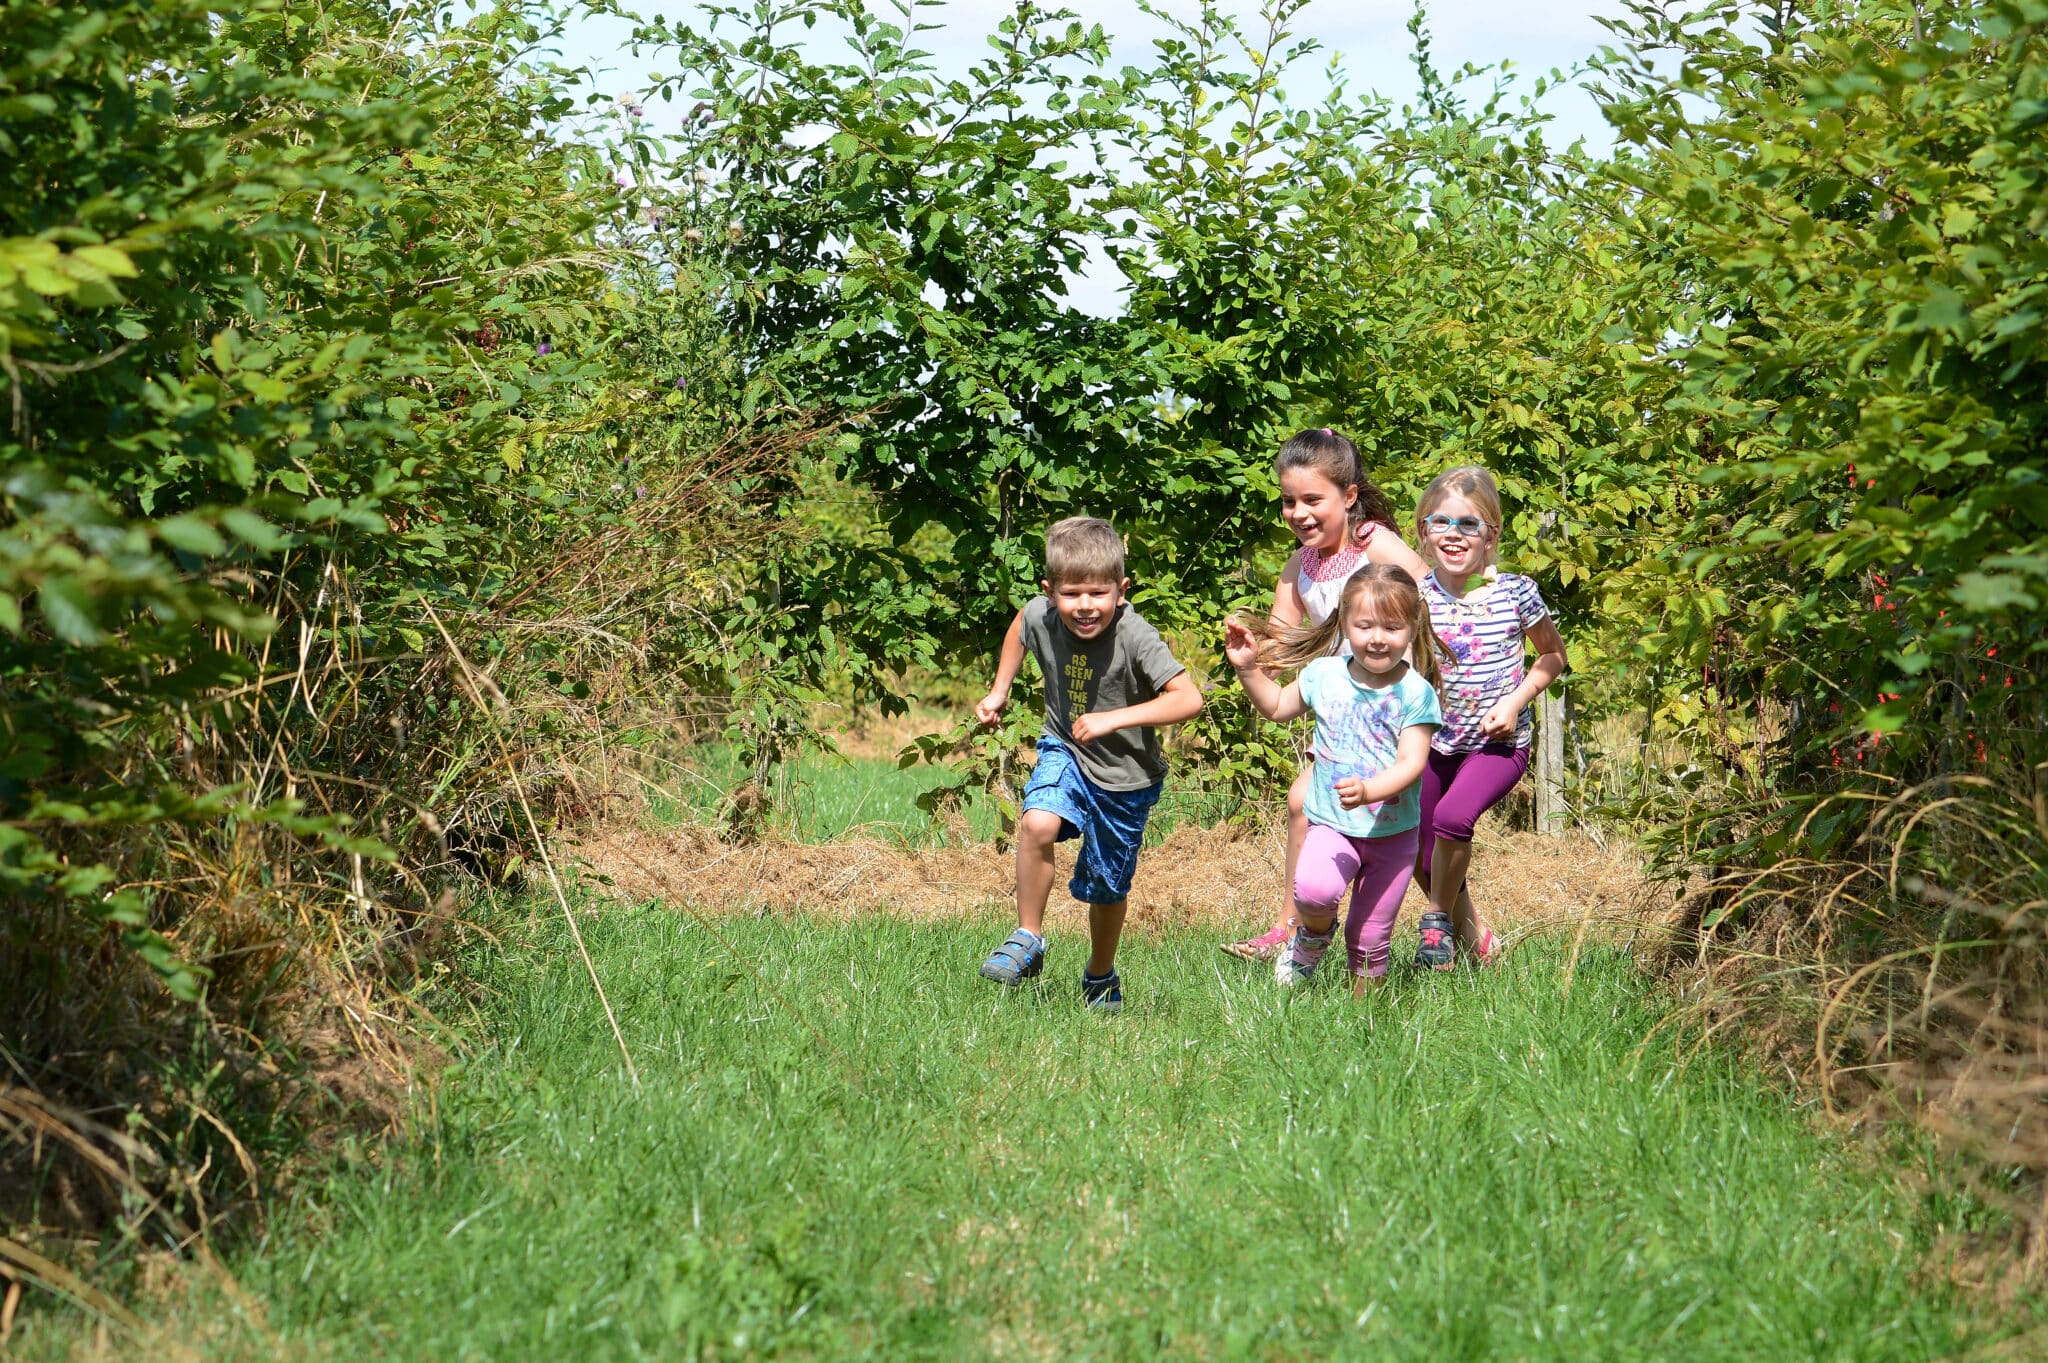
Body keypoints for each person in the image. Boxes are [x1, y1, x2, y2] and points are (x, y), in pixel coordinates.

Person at [973, 516, 1204, 1012]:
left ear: (1121, 590)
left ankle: (1100, 973)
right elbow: (1021, 624)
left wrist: (1112, 719)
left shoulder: (1135, 635)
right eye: (1071, 593)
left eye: (1098, 593)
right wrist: (999, 690)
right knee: (1037, 822)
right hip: (1064, 748)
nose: (1085, 606)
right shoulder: (1042, 614)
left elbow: (1189, 698)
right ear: (1049, 591)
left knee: (1106, 886)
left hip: (1125, 779)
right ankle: (1028, 936)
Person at [1220, 428, 1428, 962]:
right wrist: (1252, 653)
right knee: (1323, 809)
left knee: (1417, 837)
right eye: (1289, 501)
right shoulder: (1300, 566)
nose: (1299, 513)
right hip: (1342, 714)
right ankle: (1296, 923)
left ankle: (1298, 927)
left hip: (1392, 711)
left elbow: (1428, 597)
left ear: (1350, 496)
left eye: (1313, 499)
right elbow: (1280, 640)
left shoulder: (1373, 544)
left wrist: (1412, 684)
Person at [1224, 564, 1442, 991]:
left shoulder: (1416, 693)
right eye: (1364, 625)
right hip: (1331, 823)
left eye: (1392, 627)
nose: (1377, 638)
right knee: (1313, 891)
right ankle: (1312, 936)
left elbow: (1412, 763)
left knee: (1369, 939)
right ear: (1344, 622)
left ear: (1413, 628)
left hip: (1392, 834)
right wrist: (1248, 669)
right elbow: (1277, 707)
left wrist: (1369, 791)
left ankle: (1363, 1017)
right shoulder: (1324, 675)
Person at [1408, 466, 1569, 969]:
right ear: (1423, 531)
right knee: (1417, 846)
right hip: (1434, 744)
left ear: (1491, 534)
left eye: (1468, 524)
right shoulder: (1415, 598)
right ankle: (1477, 942)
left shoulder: (1516, 593)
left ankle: (1435, 924)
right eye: (1440, 522)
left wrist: (1515, 702)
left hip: (1498, 745)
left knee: (1452, 819)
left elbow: (1553, 657)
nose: (1453, 534)